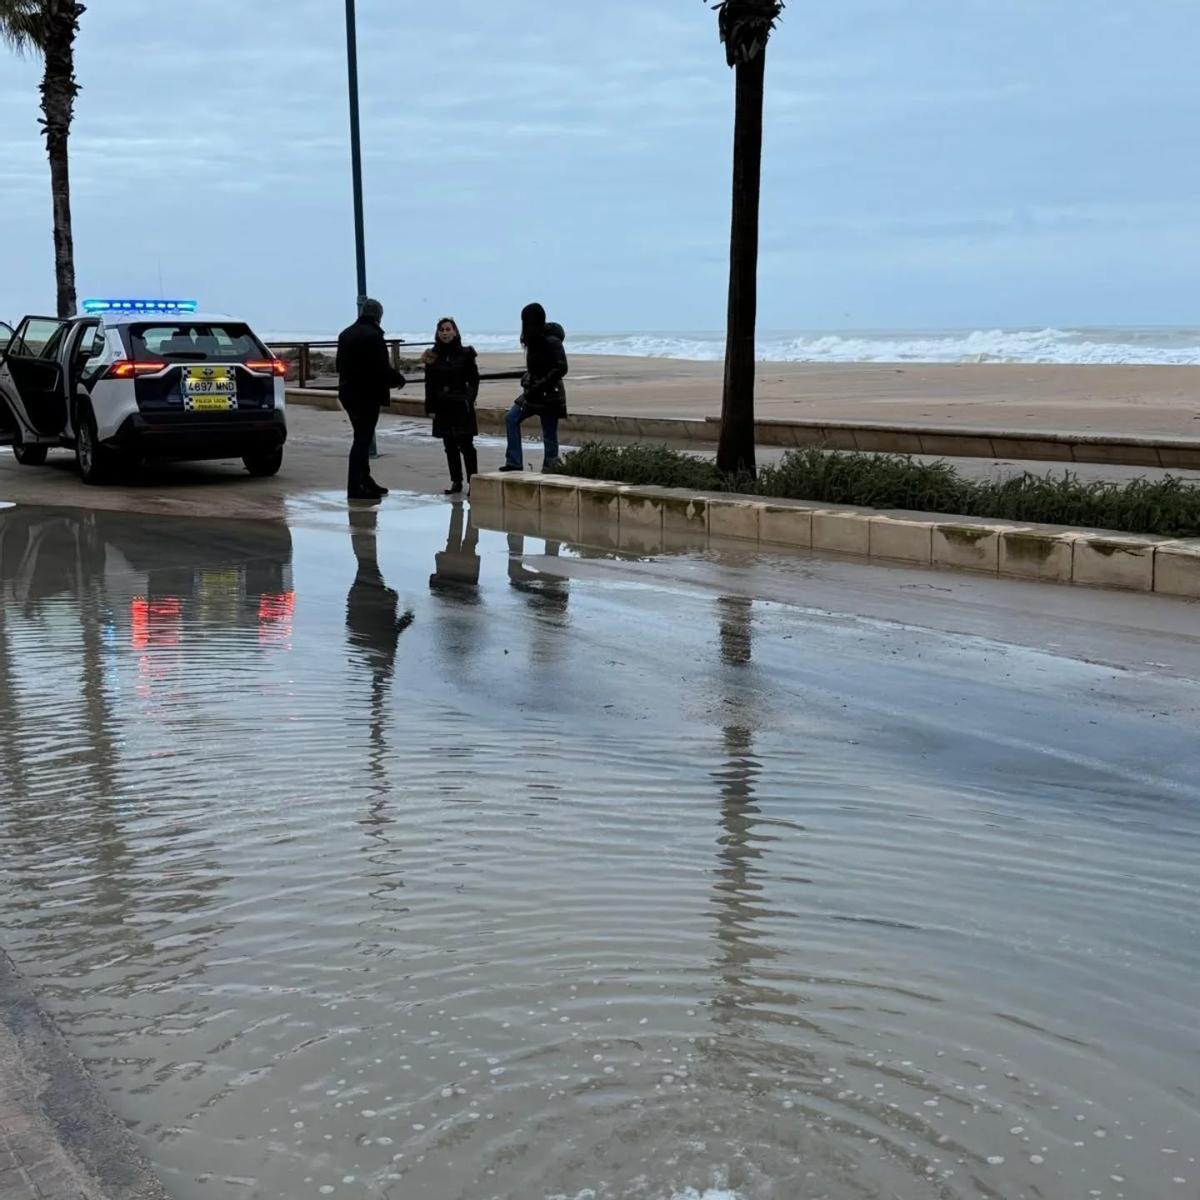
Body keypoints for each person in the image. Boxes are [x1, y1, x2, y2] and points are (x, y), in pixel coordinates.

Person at [336, 298, 405, 500]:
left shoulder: (346, 334)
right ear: (378, 316)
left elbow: (340, 365)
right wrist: (397, 379)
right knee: (362, 440)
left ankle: (364, 480)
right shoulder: (374, 336)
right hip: (366, 395)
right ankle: (356, 486)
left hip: (348, 393)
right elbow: (380, 367)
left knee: (361, 437)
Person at [502, 302, 568, 473]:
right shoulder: (532, 340)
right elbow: (536, 367)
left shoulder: (552, 341)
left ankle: (550, 467)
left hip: (550, 393)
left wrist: (539, 383)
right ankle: (514, 462)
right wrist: (528, 377)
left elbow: (561, 368)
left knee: (549, 433)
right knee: (511, 418)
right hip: (533, 392)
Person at [421, 317, 480, 495]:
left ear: (455, 331)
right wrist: (430, 408)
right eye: (442, 330)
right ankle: (456, 482)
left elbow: (474, 379)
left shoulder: (466, 354)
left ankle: (473, 482)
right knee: (450, 446)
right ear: (438, 333)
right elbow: (429, 384)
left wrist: (469, 398)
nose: (445, 333)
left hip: (462, 405)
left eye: (448, 329)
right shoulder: (432, 355)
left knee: (467, 446)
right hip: (442, 406)